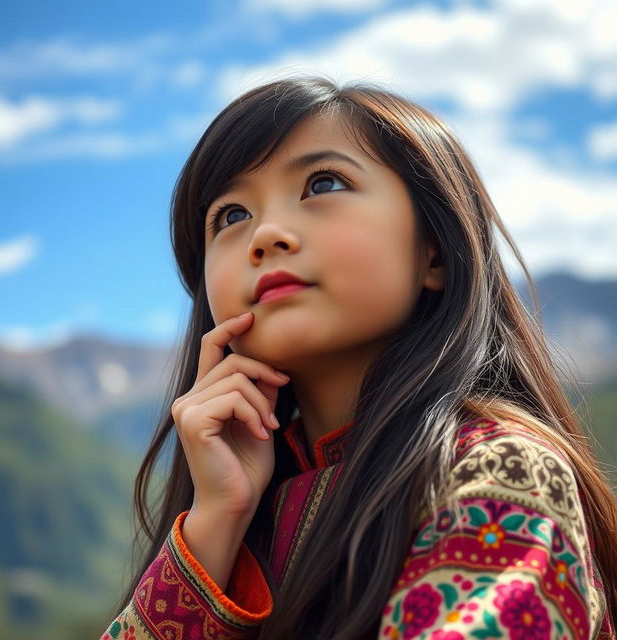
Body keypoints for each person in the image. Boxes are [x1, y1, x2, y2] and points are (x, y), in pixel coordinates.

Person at [99, 75, 617, 640]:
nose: (265, 234)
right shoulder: (236, 516)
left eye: (323, 184)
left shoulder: (500, 471)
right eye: (230, 216)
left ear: (435, 252)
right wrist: (215, 523)